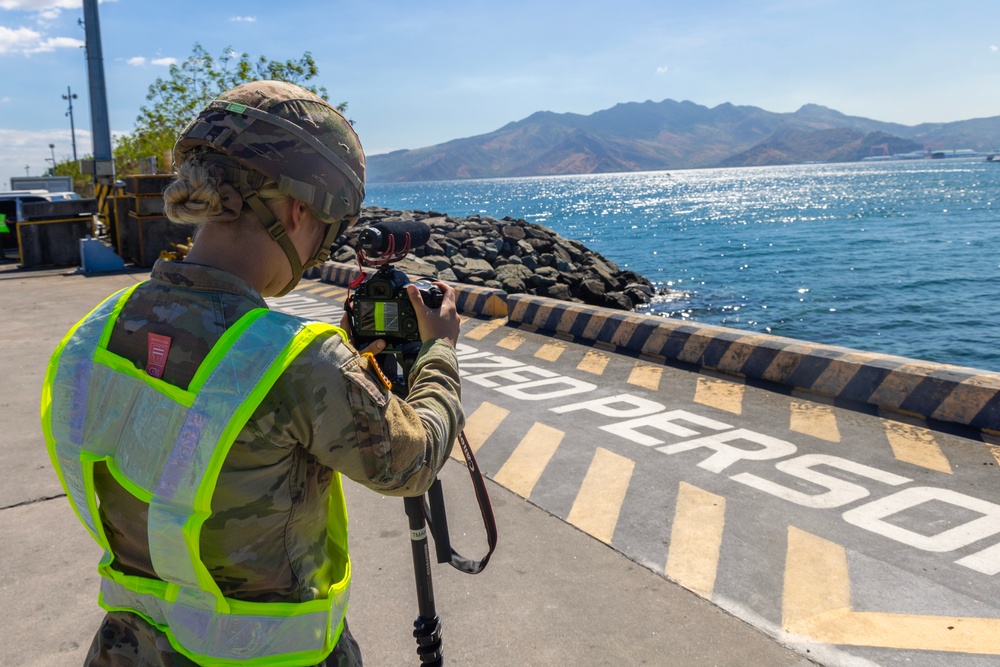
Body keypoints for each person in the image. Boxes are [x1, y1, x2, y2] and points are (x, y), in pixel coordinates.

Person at [40, 80, 464, 666]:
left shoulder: (94, 331)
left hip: (126, 648)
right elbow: (411, 463)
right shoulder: (298, 361)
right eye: (327, 228)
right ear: (296, 210)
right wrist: (438, 354)